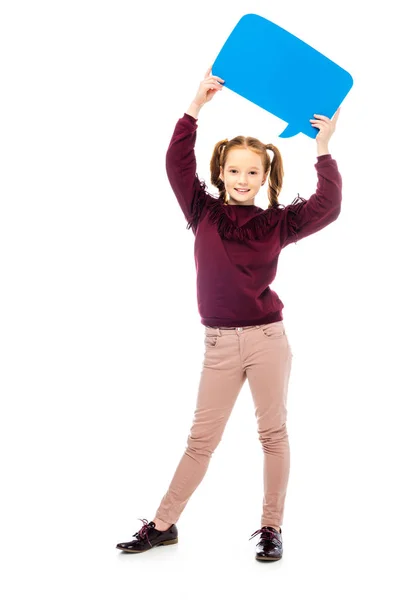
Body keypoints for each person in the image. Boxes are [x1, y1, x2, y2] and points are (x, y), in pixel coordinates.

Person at [116, 66, 342, 560]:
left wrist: (323, 147)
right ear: (221, 173)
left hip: (267, 341)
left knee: (272, 435)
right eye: (234, 170)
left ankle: (271, 528)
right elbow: (176, 164)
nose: (242, 179)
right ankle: (163, 524)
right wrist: (195, 106)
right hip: (219, 344)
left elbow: (328, 205)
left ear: (265, 177)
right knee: (201, 440)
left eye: (252, 172)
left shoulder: (277, 223)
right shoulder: (202, 211)